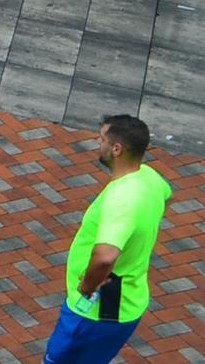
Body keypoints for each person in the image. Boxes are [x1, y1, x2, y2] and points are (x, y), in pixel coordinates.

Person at [44, 114, 171, 364]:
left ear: (117, 149)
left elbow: (105, 256)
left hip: (98, 310)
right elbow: (167, 195)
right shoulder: (149, 177)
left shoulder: (121, 199)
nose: (97, 142)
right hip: (128, 301)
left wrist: (86, 289)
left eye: (101, 139)